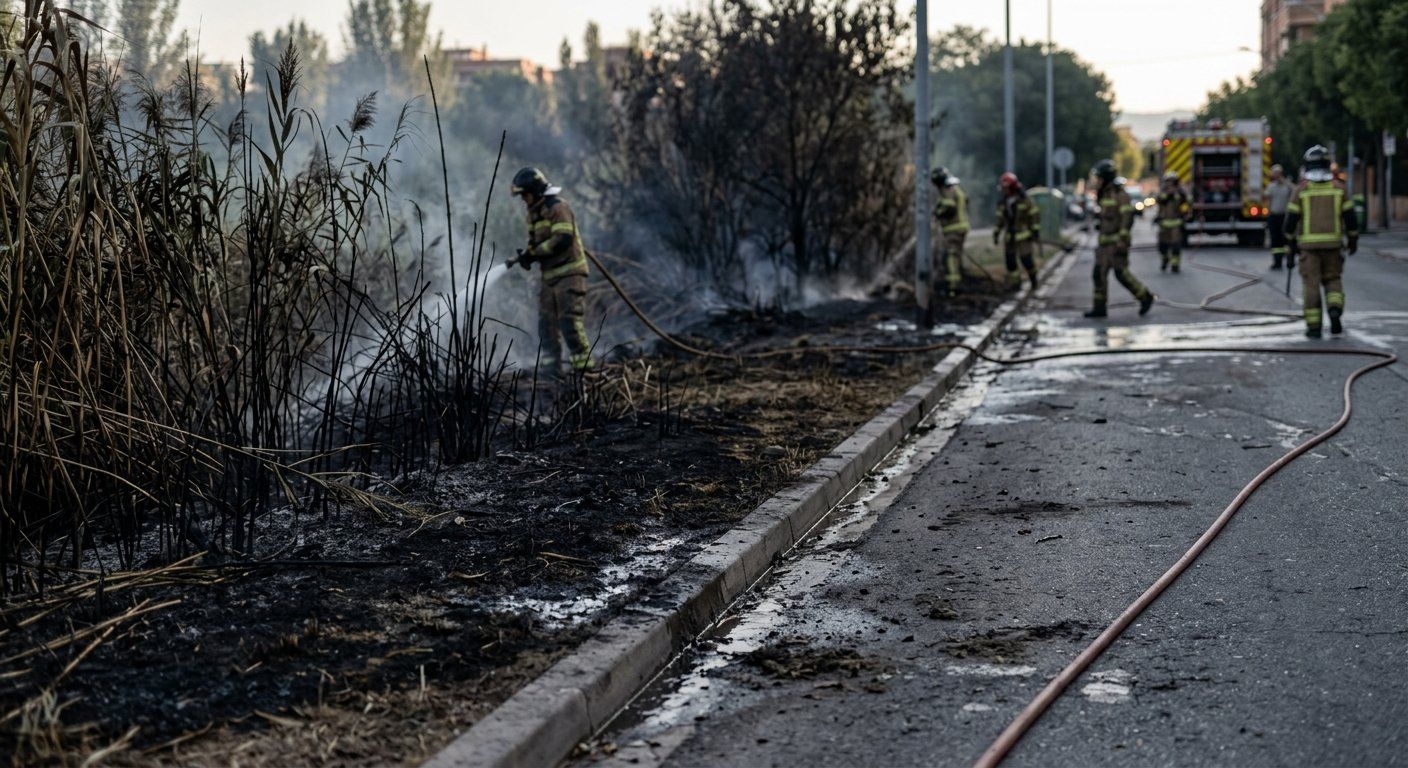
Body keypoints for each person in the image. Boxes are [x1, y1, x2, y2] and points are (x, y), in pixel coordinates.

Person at [511, 166, 594, 372]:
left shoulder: (558, 207)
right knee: (546, 326)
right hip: (550, 277)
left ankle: (583, 371)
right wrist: (528, 256)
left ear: (535, 191)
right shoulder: (534, 214)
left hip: (569, 274)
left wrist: (535, 252)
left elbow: (562, 239)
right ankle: (552, 373)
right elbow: (534, 244)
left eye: (525, 195)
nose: (523, 200)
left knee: (569, 323)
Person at [1283, 146, 1358, 338]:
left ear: (1307, 165)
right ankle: (1334, 308)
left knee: (1311, 284)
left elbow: (1290, 223)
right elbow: (1351, 220)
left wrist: (1290, 245)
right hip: (1333, 246)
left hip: (1308, 249)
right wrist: (1352, 240)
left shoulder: (1301, 190)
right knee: (1333, 279)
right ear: (1327, 164)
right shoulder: (1339, 189)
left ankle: (1314, 327)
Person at [1085, 159, 1154, 318]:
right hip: (1104, 244)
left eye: (1100, 178)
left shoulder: (1120, 194)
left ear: (1107, 178)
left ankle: (1145, 297)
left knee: (1121, 274)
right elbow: (1108, 217)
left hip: (1116, 243)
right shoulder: (1105, 194)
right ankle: (1099, 308)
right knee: (1098, 274)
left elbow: (1126, 218)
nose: (1098, 181)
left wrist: (1122, 240)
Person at [992, 172, 1040, 290]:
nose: (1003, 191)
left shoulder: (1025, 200)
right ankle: (1015, 284)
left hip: (1024, 236)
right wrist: (996, 233)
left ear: (1012, 187)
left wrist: (1034, 231)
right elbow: (1000, 220)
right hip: (1010, 237)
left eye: (1005, 188)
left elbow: (1034, 215)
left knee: (1027, 261)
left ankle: (1033, 280)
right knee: (1010, 263)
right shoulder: (1003, 203)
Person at [932, 166, 970, 297]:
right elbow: (966, 201)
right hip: (961, 226)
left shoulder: (946, 189)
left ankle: (953, 287)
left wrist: (938, 213)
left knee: (950, 256)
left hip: (953, 229)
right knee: (956, 256)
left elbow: (950, 208)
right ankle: (958, 283)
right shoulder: (956, 188)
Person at [1153, 172, 1191, 273]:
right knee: (1162, 246)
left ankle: (1175, 264)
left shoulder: (1181, 192)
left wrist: (1181, 196)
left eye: (1172, 181)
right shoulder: (1163, 192)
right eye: (1168, 181)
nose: (1170, 183)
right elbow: (1159, 200)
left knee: (1176, 245)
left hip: (1176, 222)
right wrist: (1168, 194)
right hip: (1164, 223)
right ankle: (1165, 259)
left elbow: (1188, 202)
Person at [1265, 164, 1295, 270]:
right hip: (1273, 216)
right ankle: (1277, 262)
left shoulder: (1286, 186)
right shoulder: (1271, 186)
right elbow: (1268, 201)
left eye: (1278, 173)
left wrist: (1285, 181)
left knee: (1286, 240)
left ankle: (1289, 260)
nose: (1277, 176)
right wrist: (1268, 216)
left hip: (1284, 216)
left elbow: (1295, 190)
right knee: (1275, 240)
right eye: (1275, 173)